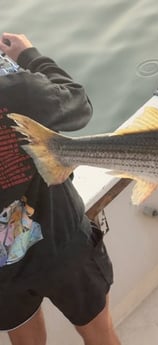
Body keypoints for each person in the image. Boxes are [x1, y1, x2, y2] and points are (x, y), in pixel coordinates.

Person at [0, 33, 120, 345]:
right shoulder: (16, 88)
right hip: (62, 242)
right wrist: (29, 56)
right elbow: (78, 104)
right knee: (100, 334)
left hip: (3, 269)